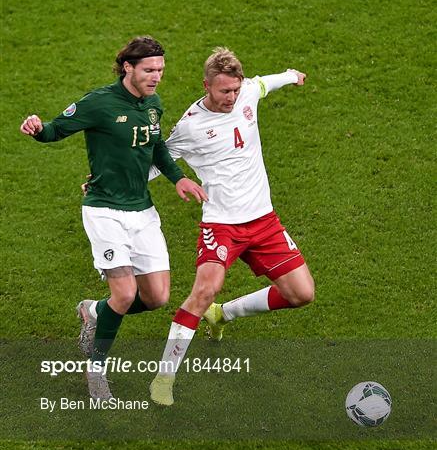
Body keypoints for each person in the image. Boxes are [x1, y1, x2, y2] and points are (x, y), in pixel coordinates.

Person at [20, 36, 207, 401]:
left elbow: (156, 149)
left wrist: (178, 177)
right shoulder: (99, 103)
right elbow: (56, 129)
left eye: (161, 70)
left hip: (142, 211)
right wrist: (37, 128)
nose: (156, 77)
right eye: (149, 70)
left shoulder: (153, 105)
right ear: (128, 67)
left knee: (157, 297)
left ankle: (94, 311)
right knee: (125, 293)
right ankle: (96, 367)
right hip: (104, 210)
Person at [149, 47, 315, 406]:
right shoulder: (192, 126)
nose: (232, 98)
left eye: (236, 91)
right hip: (222, 223)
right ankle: (164, 376)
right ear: (206, 85)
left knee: (301, 294)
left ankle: (223, 315)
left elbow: (263, 84)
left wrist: (291, 74)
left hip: (264, 220)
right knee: (205, 289)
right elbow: (158, 159)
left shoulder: (246, 93)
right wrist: (110, 181)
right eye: (224, 91)